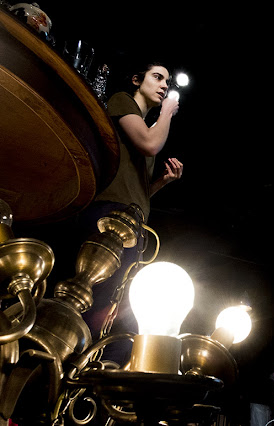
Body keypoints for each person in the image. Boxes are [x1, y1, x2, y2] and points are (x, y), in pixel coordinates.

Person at [79, 63, 184, 363]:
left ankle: (91, 371)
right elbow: (150, 144)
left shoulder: (146, 127)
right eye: (157, 77)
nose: (164, 85)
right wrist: (166, 113)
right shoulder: (122, 101)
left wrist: (162, 181)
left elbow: (137, 192)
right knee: (92, 299)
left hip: (131, 222)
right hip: (108, 217)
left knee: (113, 310)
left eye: (167, 81)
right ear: (137, 80)